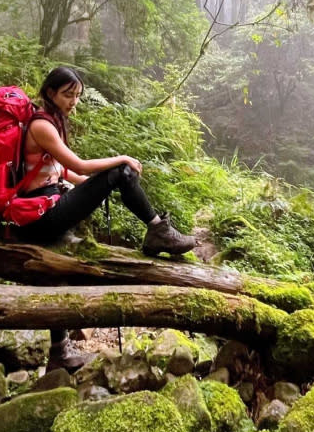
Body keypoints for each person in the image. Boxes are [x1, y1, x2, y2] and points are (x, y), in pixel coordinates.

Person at [17, 66, 195, 371]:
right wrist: (120, 164)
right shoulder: (42, 126)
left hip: (46, 208)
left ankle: (59, 353)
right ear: (50, 93)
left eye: (77, 96)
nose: (73, 101)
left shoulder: (52, 122)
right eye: (67, 94)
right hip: (41, 217)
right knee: (121, 172)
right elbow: (82, 167)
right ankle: (158, 231)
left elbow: (65, 173)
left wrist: (102, 188)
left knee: (57, 273)